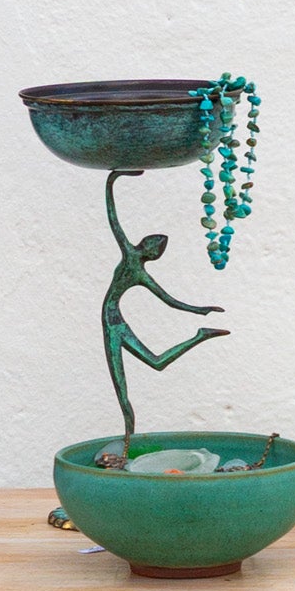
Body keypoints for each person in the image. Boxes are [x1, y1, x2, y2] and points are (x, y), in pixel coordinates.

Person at [98, 169, 228, 441]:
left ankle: (200, 335)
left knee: (131, 384)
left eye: (153, 247)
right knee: (145, 372)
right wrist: (113, 179)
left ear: (149, 251)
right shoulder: (134, 260)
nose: (152, 248)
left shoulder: (136, 265)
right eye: (153, 245)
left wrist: (200, 309)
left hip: (114, 324)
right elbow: (113, 218)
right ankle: (127, 441)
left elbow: (170, 301)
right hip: (115, 322)